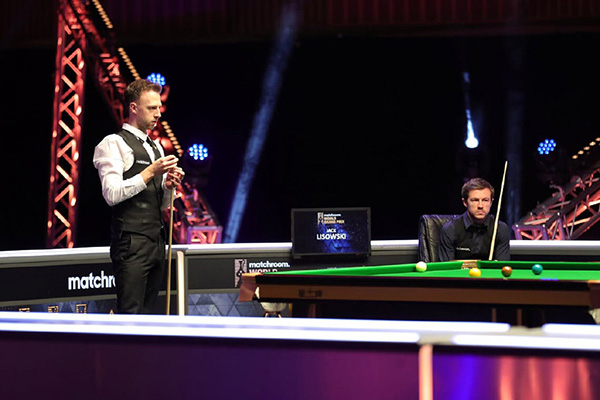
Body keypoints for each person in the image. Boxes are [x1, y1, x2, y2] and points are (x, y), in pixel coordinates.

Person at [93, 79, 185, 314]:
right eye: (152, 108)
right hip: (131, 242)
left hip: (156, 241)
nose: (158, 114)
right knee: (130, 313)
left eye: (159, 107)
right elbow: (111, 194)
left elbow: (161, 205)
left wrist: (169, 187)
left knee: (148, 314)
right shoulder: (113, 143)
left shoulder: (156, 147)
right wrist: (151, 172)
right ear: (133, 108)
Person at [438, 178, 510, 261]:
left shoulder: (500, 229)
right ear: (465, 202)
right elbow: (446, 268)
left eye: (485, 200)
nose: (480, 206)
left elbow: (502, 267)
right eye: (475, 200)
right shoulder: (450, 229)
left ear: (491, 202)